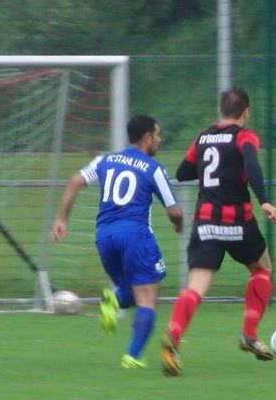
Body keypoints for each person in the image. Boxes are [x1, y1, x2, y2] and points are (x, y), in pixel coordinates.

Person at [160, 86, 276, 377]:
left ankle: (173, 339)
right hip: (239, 222)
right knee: (262, 269)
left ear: (220, 110)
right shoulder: (244, 136)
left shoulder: (203, 137)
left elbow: (182, 173)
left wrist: (208, 166)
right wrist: (264, 200)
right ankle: (249, 334)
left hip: (206, 222)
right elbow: (251, 163)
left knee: (196, 288)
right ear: (246, 112)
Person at [51, 114, 184, 369]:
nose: (159, 140)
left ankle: (112, 300)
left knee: (133, 291)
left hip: (104, 236)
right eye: (157, 135)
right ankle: (133, 356)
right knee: (148, 296)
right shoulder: (154, 168)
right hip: (135, 235)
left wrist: (62, 219)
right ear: (147, 137)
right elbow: (174, 210)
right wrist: (179, 224)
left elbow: (75, 181)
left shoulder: (106, 159)